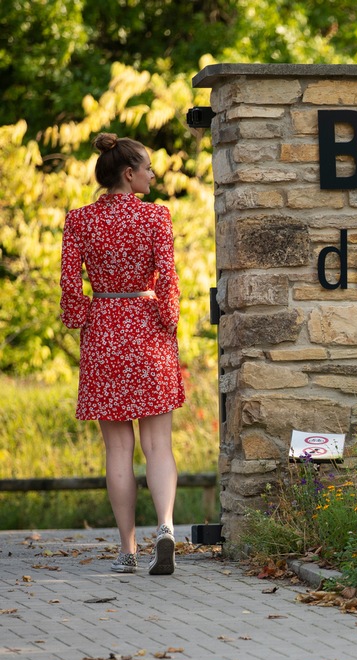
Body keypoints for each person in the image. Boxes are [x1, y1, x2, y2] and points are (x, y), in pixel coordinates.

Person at [59, 133, 185, 576]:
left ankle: (127, 550)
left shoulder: (79, 221)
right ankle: (166, 529)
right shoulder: (156, 218)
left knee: (117, 447)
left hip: (104, 332)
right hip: (148, 329)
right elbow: (167, 278)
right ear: (129, 175)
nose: (152, 175)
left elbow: (71, 288)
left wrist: (78, 317)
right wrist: (169, 319)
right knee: (158, 443)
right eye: (147, 168)